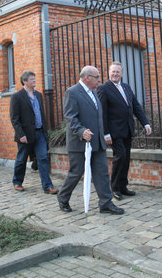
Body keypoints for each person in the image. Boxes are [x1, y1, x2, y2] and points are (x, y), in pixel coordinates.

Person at [57, 66, 124, 215]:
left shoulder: (94, 92)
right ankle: (62, 197)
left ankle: (106, 203)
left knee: (102, 173)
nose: (99, 80)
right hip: (79, 143)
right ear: (87, 77)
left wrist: (103, 136)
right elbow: (70, 117)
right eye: (97, 77)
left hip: (97, 142)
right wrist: (81, 131)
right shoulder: (72, 92)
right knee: (76, 172)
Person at [97, 61, 151, 200]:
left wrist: (145, 123)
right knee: (119, 156)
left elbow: (136, 107)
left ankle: (123, 186)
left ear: (122, 73)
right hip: (114, 131)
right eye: (113, 71)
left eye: (118, 72)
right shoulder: (103, 89)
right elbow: (102, 113)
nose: (115, 74)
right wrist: (105, 133)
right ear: (109, 73)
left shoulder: (126, 87)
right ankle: (114, 188)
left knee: (126, 159)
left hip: (127, 129)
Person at [9, 71, 58, 194]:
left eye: (34, 79)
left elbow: (42, 114)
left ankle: (47, 186)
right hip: (25, 135)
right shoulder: (17, 97)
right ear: (25, 81)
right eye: (32, 79)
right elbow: (14, 118)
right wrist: (21, 134)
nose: (34, 81)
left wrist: (45, 132)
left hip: (40, 133)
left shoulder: (39, 95)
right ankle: (17, 182)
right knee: (21, 159)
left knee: (43, 158)